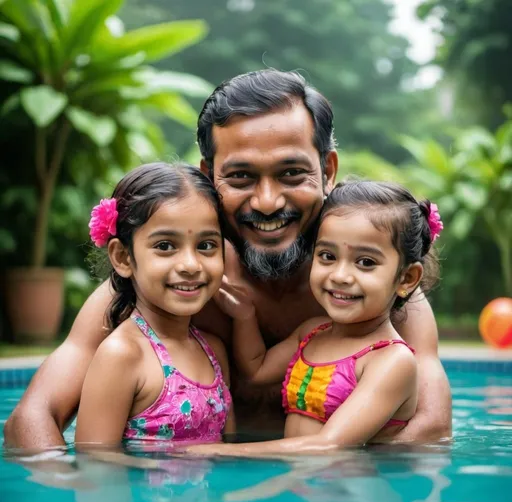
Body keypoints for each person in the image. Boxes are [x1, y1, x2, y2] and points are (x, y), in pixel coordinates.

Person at [4, 69, 451, 449]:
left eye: (292, 173)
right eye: (240, 176)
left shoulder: (381, 301)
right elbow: (32, 418)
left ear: (327, 171)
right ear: (208, 177)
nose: (269, 201)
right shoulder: (164, 289)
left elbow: (432, 429)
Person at [184, 179, 442, 457]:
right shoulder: (314, 332)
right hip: (307, 480)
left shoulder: (391, 361)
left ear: (406, 278)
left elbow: (329, 445)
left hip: (349, 490)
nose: (340, 275)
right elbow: (256, 371)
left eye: (366, 262)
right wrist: (244, 316)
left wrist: (219, 451)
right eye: (328, 256)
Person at [75, 162, 233, 445]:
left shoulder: (214, 350)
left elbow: (230, 444)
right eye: (165, 246)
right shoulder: (122, 356)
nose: (189, 265)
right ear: (123, 257)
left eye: (206, 245)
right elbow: (97, 469)